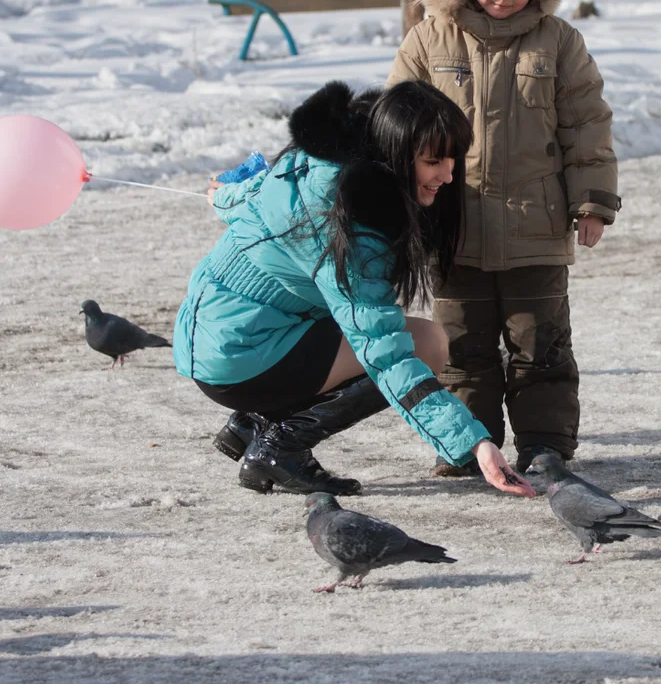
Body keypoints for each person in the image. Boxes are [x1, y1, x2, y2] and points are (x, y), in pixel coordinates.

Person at [172, 79, 534, 499]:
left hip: (211, 337)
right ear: (395, 154)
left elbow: (241, 196)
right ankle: (280, 446)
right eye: (434, 161)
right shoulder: (348, 225)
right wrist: (473, 442)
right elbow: (387, 353)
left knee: (379, 331)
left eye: (453, 158)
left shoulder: (313, 166)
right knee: (426, 344)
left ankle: (252, 424)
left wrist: (220, 194)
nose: (449, 175)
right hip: (239, 356)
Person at [387, 0, 619, 477]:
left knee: (539, 344)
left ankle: (545, 446)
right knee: (461, 346)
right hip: (451, 223)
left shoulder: (558, 42)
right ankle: (471, 443)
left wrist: (591, 202)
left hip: (535, 227)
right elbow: (394, 123)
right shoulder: (427, 39)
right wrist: (399, 203)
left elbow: (587, 125)